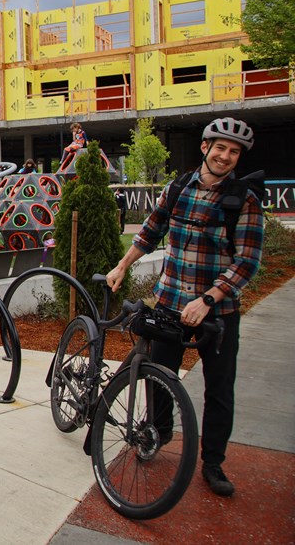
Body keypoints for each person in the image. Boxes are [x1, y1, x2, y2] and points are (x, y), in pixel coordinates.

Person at [105, 117, 263, 498]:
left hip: (217, 314)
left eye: (234, 151)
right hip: (170, 304)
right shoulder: (178, 189)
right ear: (205, 148)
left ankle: (213, 462)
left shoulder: (245, 200)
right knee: (159, 376)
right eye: (220, 147)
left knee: (220, 389)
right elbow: (150, 229)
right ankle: (156, 434)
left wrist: (208, 299)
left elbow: (246, 262)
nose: (225, 156)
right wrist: (123, 265)